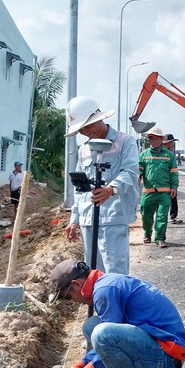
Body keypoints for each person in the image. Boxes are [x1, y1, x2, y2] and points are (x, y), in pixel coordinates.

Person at [49, 259, 185, 368]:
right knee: (92, 326)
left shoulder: (104, 291)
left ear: (76, 285)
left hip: (167, 359)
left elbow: (106, 338)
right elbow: (112, 336)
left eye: (69, 297)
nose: (74, 301)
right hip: (160, 350)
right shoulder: (106, 282)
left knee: (101, 333)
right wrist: (78, 367)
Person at [64, 96, 140, 275]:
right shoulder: (83, 148)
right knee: (93, 271)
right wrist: (75, 219)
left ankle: (116, 303)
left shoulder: (124, 142)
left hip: (113, 218)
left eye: (87, 127)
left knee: (115, 270)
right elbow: (79, 189)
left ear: (99, 119)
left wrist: (111, 189)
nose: (85, 132)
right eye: (81, 129)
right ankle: (98, 303)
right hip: (87, 219)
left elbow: (130, 172)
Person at [139, 128, 178, 248]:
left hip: (164, 192)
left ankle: (160, 238)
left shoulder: (169, 155)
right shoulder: (144, 155)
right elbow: (139, 169)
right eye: (151, 138)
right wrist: (138, 175)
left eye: (156, 138)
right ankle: (147, 233)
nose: (153, 140)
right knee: (146, 215)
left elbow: (173, 173)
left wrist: (174, 187)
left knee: (162, 216)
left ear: (161, 139)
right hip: (148, 192)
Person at [162, 134, 182, 225]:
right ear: (168, 142)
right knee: (171, 198)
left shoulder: (166, 152)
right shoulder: (167, 153)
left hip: (165, 179)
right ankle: (172, 217)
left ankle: (168, 217)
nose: (173, 143)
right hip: (167, 180)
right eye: (172, 142)